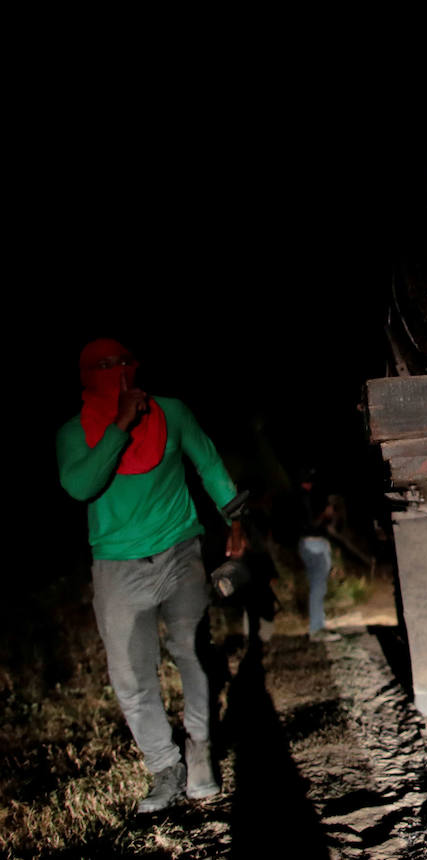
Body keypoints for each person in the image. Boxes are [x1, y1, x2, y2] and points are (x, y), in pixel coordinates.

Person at [56, 338, 242, 813]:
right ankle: (164, 767)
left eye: (122, 363)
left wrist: (234, 519)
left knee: (192, 652)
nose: (115, 372)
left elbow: (207, 460)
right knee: (132, 675)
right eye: (103, 367)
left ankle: (199, 750)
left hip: (180, 550)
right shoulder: (74, 432)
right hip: (118, 567)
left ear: (136, 368)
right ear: (85, 377)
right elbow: (81, 485)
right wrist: (119, 424)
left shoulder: (171, 412)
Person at [295, 470, 340, 642]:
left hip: (312, 543)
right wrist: (325, 515)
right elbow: (310, 525)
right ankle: (316, 629)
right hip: (312, 544)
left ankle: (318, 624)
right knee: (318, 587)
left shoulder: (304, 496)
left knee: (319, 586)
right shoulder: (303, 497)